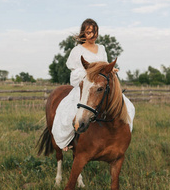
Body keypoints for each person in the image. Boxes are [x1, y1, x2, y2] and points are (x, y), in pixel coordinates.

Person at [52, 19, 135, 151]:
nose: (93, 35)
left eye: (95, 31)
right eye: (89, 32)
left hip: (99, 85)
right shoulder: (77, 50)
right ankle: (66, 140)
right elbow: (75, 69)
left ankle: (124, 132)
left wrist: (110, 69)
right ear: (83, 33)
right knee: (70, 109)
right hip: (85, 84)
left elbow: (104, 65)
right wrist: (89, 75)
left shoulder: (101, 48)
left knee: (127, 104)